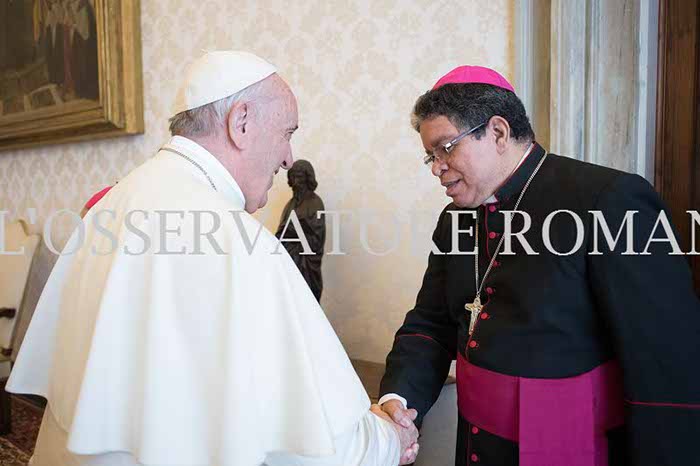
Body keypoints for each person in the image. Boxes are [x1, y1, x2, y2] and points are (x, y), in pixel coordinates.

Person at [8, 51, 419, 466]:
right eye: (286, 133)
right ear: (241, 122)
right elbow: (311, 446)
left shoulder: (111, 205)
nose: (288, 158)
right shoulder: (234, 239)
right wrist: (389, 439)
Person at [378, 65, 700, 466]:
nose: (436, 167)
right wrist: (399, 399)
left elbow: (666, 363)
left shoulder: (608, 200)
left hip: (571, 446)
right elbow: (430, 322)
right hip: (477, 446)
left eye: (446, 147)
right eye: (430, 155)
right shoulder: (456, 219)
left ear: (498, 132)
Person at [275, 160, 325, 301]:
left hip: (306, 266)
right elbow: (280, 235)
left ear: (308, 178)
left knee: (307, 301)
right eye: (293, 177)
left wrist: (296, 231)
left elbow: (317, 240)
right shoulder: (289, 205)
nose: (296, 182)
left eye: (300, 177)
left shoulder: (315, 203)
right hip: (289, 264)